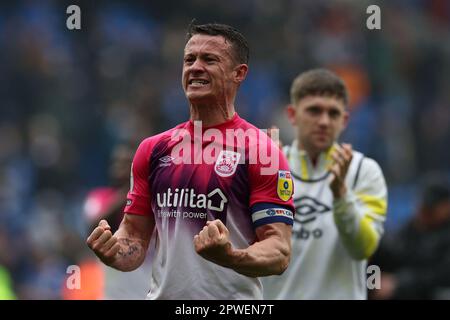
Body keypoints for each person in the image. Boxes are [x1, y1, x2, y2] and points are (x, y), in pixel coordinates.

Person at [86, 22, 295, 300]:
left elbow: (279, 251)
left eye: (209, 59)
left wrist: (229, 256)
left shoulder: (261, 150)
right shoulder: (153, 149)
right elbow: (134, 239)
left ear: (239, 73)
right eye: (189, 59)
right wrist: (114, 251)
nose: (195, 67)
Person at [263, 69, 388, 299]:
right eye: (314, 110)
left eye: (333, 113)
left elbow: (363, 248)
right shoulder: (269, 168)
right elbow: (246, 244)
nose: (323, 121)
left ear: (345, 120)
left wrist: (341, 195)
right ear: (292, 115)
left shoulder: (364, 172)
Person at [370, 178, 450, 300]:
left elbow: (441, 275)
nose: (423, 212)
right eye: (423, 207)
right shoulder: (413, 228)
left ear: (446, 206)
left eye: (430, 209)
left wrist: (399, 284)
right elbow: (393, 254)